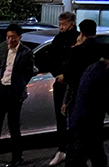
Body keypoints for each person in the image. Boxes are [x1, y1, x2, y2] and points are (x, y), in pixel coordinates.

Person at [67, 42, 109, 167]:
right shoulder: (105, 72)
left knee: (86, 154)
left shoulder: (93, 68)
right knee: (92, 155)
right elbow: (107, 99)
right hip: (89, 119)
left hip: (81, 117)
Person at [0, 24, 34, 167]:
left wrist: (20, 86)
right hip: (2, 90)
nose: (10, 40)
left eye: (13, 37)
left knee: (14, 125)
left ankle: (17, 158)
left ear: (19, 37)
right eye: (8, 37)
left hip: (15, 92)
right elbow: (0, 66)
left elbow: (29, 72)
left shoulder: (26, 53)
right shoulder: (3, 49)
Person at [36, 12, 80, 166]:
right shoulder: (57, 40)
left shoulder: (77, 39)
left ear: (71, 24)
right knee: (60, 118)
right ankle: (62, 149)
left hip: (73, 84)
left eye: (64, 24)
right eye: (60, 24)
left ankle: (74, 150)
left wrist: (66, 75)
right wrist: (57, 74)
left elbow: (76, 62)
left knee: (74, 117)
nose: (61, 27)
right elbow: (50, 59)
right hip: (60, 82)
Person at [61, 19, 103, 120]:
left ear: (82, 33)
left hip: (78, 95)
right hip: (97, 96)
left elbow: (69, 78)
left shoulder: (76, 51)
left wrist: (65, 102)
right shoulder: (102, 50)